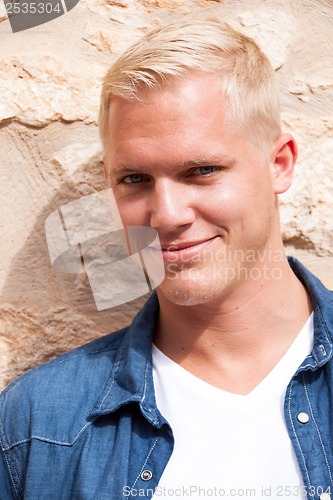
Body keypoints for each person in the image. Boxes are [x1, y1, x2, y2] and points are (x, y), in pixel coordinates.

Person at [1, 18, 332, 500]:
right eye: (134, 179)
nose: (166, 216)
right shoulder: (36, 422)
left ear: (278, 164)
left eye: (202, 170)